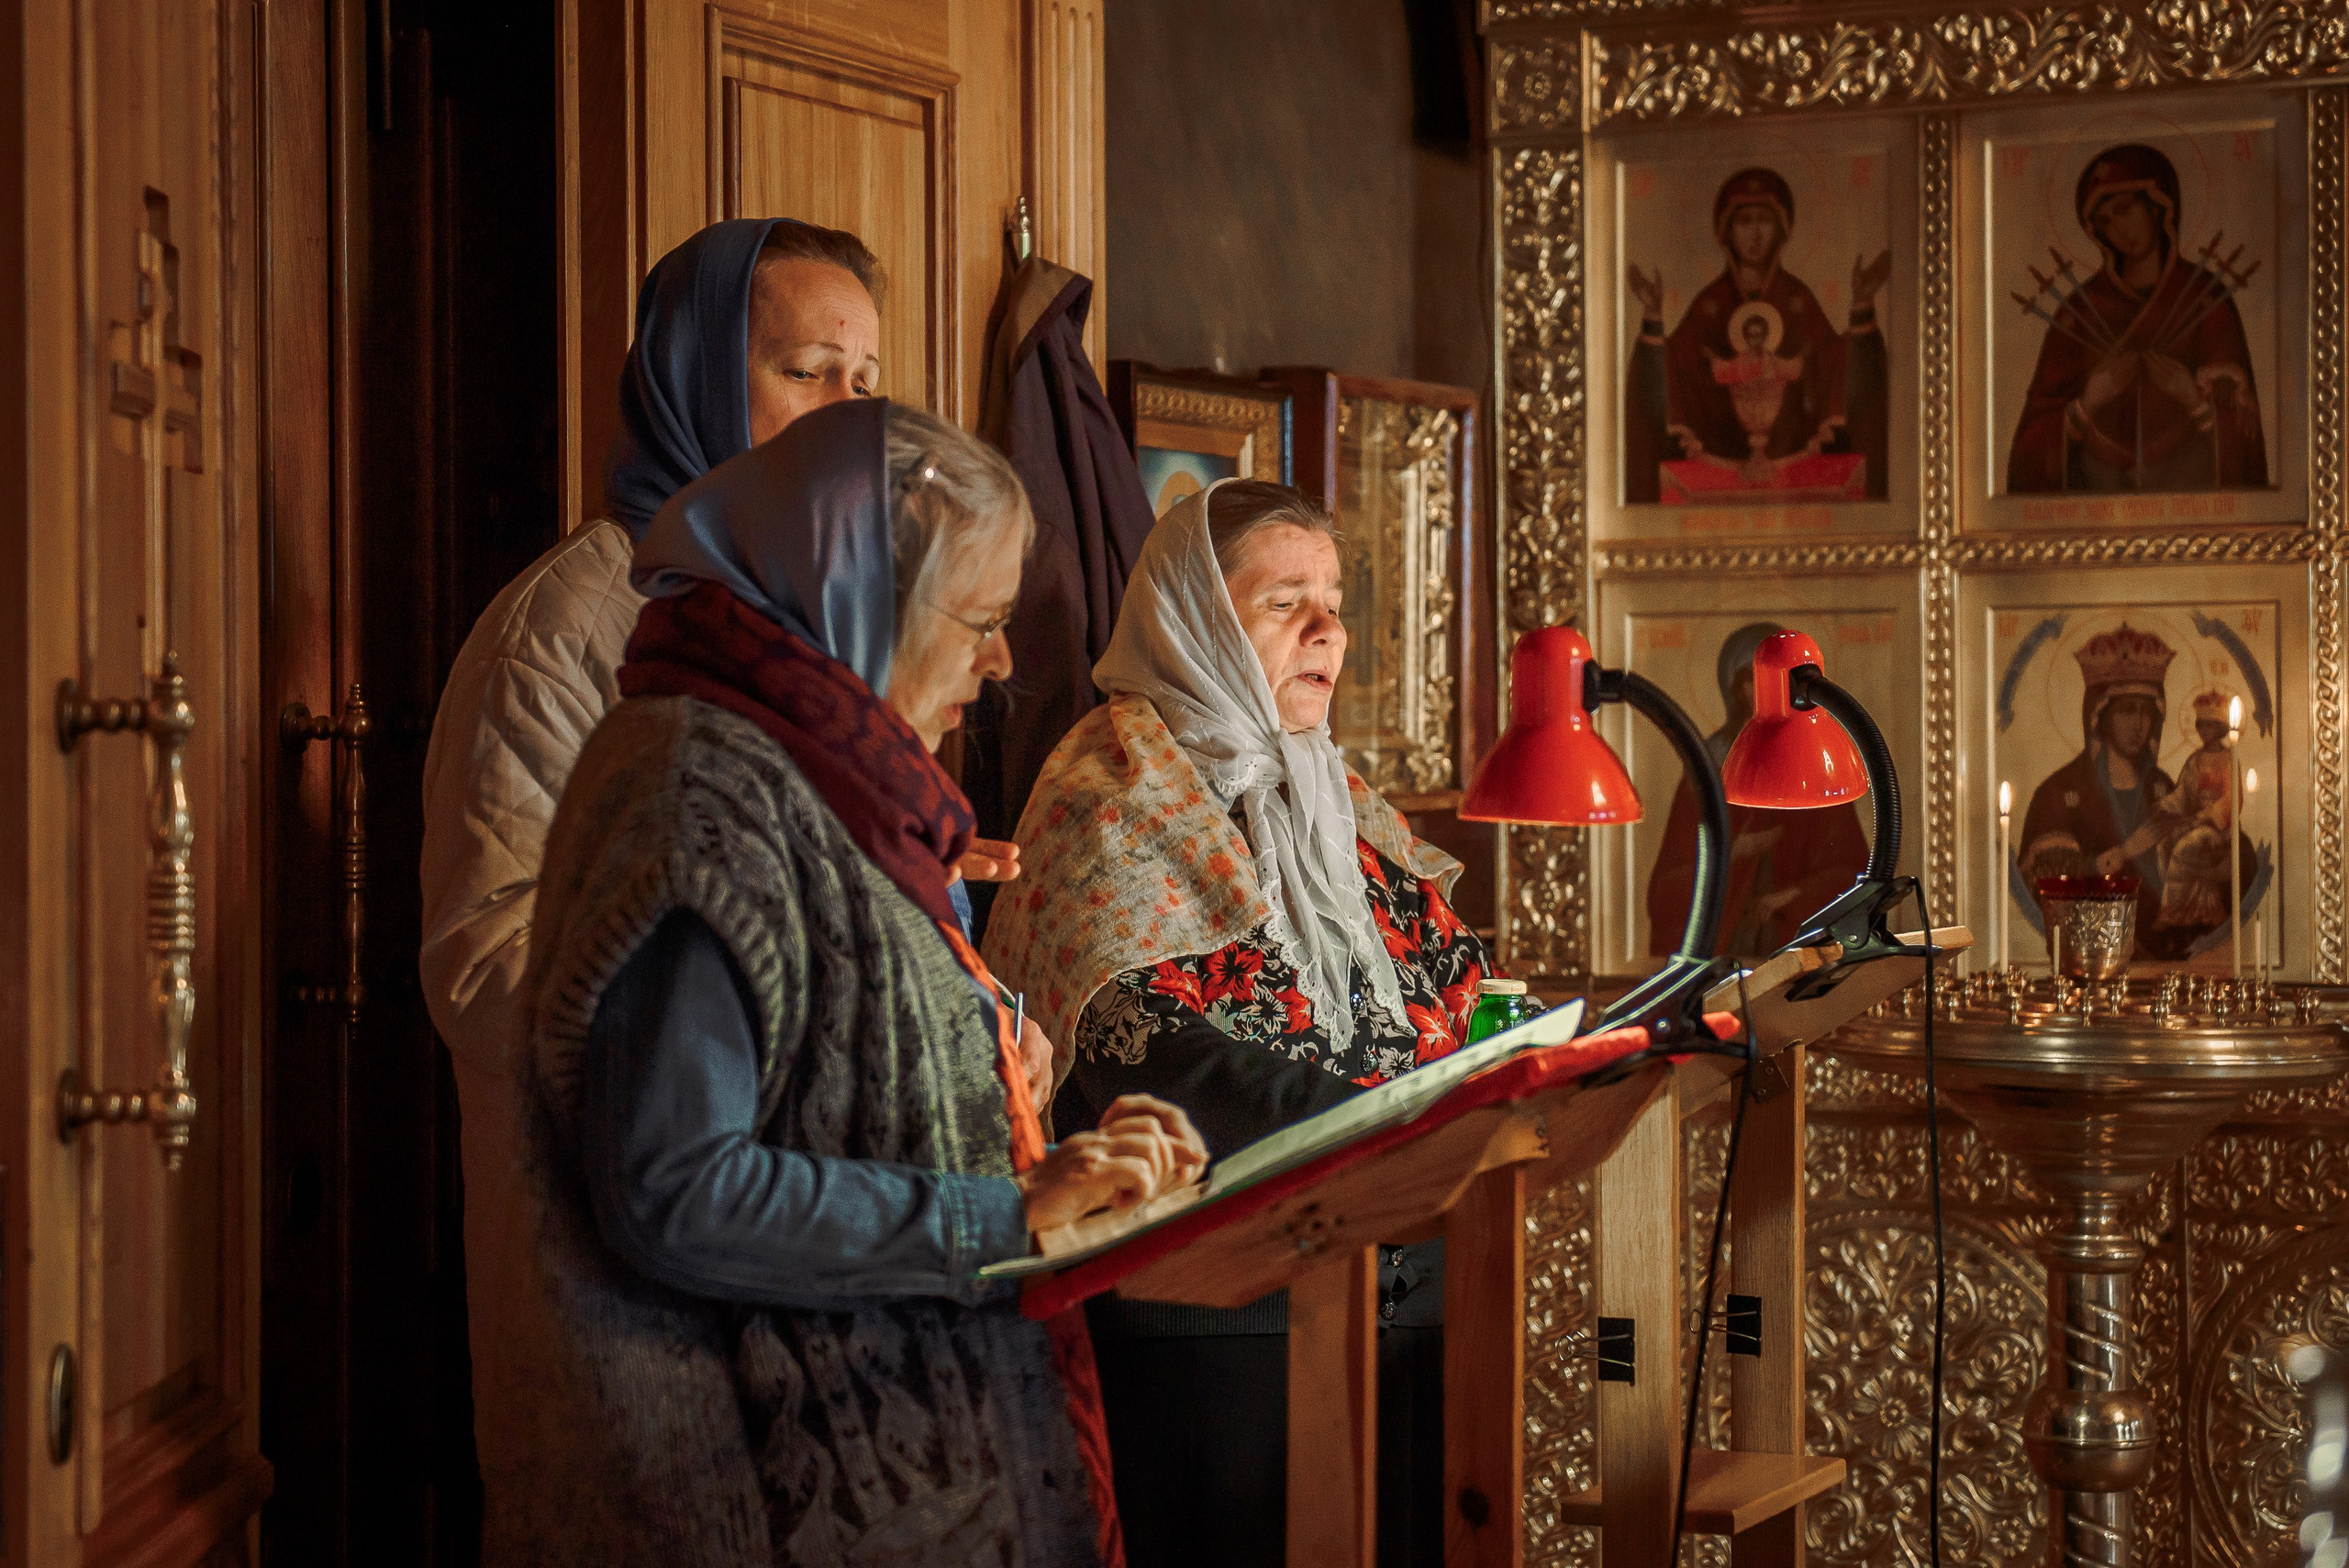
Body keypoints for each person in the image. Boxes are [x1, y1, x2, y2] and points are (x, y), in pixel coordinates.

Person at [418, 217, 1044, 1548]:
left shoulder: (823, 622)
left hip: (816, 1286)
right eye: (812, 370)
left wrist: (903, 942)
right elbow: (488, 957)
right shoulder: (571, 624)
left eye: (869, 381)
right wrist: (805, 957)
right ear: (695, 379)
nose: (850, 412)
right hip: (627, 1271)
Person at [495, 396, 1204, 1565]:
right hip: (760, 1506)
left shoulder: (830, 776)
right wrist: (1003, 1212)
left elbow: (841, 1043)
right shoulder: (697, 792)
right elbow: (674, 1188)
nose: (1001, 658)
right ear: (852, 598)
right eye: (975, 618)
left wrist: (998, 1074)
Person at [983, 479, 1495, 1567]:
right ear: (1196, 623)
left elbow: (1453, 975)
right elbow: (1150, 1051)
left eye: (1334, 600)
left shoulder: (1338, 797)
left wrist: (1533, 1055)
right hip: (1222, 1326)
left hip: (1408, 1293)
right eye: (1283, 603)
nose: (1327, 629)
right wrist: (1403, 1120)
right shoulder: (1110, 788)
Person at [2007, 143, 2268, 494]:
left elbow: (2244, 439)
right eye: (2104, 222)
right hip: (2096, 485)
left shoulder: (2204, 299)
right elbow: (2031, 448)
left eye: (2124, 209)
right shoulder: (2080, 311)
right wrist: (2087, 404)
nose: (2118, 229)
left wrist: (2192, 399)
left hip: (2190, 482)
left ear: (2157, 206)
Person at [1624, 166, 1891, 504]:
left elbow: (1833, 363)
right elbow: (1674, 369)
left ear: (1782, 229)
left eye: (1764, 221)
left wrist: (1863, 305)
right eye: (1744, 221)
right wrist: (1652, 316)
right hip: (1719, 463)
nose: (1755, 234)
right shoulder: (1710, 303)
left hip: (1793, 467)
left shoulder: (1798, 300)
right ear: (1726, 231)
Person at [1645, 621, 1870, 957]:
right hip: (1727, 948)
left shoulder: (1817, 760)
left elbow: (1851, 871)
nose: (1763, 691)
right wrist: (1732, 852)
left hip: (1794, 946)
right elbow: (1665, 892)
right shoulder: (1707, 764)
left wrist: (1791, 895)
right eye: (1751, 681)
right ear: (1735, 689)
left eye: (1778, 681)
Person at [2018, 622, 2180, 957]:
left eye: (2146, 712)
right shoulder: (2059, 792)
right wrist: (2122, 854)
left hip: (2167, 955)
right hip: (2089, 955)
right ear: (2098, 716)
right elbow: (2042, 878)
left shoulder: (2162, 787)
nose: (2139, 725)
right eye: (2125, 711)